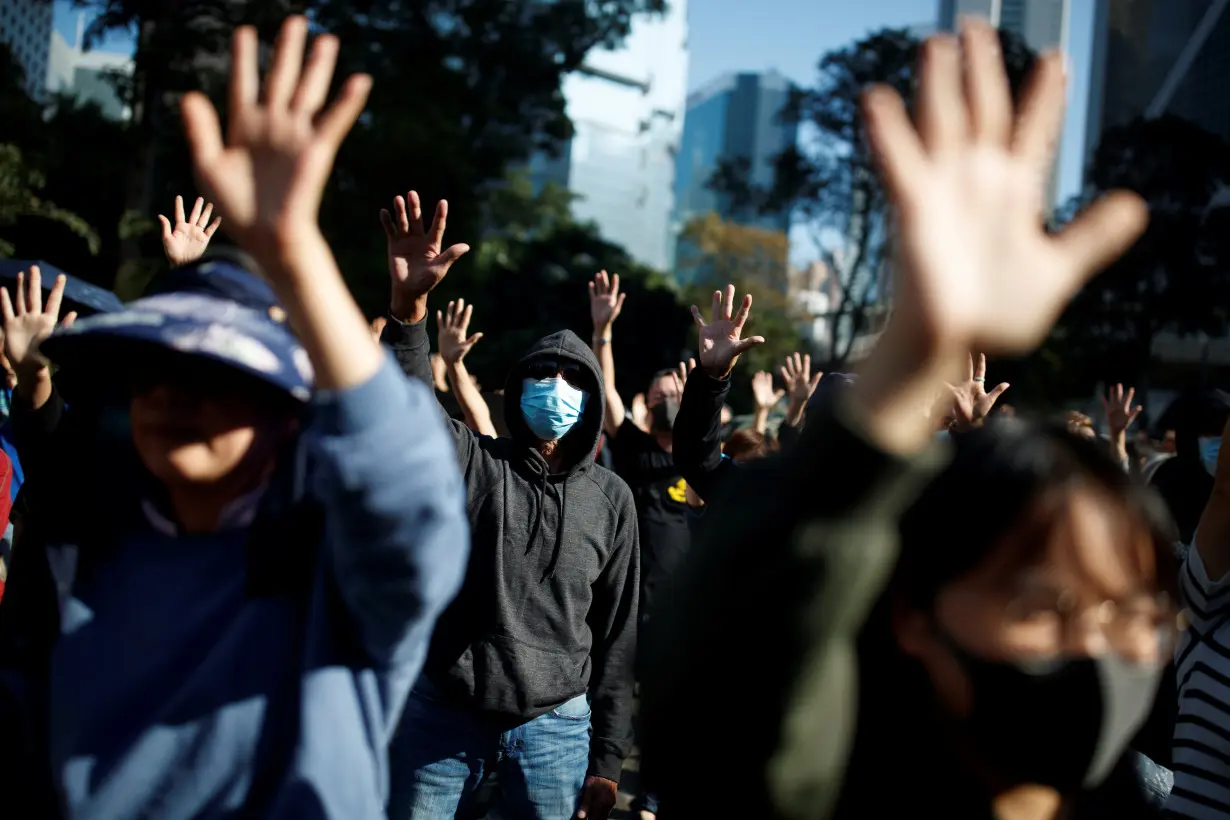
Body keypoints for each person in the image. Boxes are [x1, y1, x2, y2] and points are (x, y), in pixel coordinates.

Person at [640, 18, 1152, 819]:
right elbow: (726, 668)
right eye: (1045, 607)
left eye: (1128, 611)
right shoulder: (836, 770)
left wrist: (980, 445)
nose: (1092, 648)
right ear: (918, 617)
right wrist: (916, 352)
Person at [0, 17, 469, 818]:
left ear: (290, 417)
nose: (176, 399)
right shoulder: (96, 541)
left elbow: (411, 489)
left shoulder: (342, 581)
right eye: (157, 373)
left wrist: (292, 248)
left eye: (220, 377)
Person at [378, 193, 639, 820]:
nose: (556, 387)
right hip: (445, 715)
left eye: (573, 378)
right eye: (542, 373)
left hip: (557, 730)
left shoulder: (611, 498)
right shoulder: (474, 461)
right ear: (516, 389)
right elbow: (409, 411)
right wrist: (408, 313)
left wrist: (608, 758)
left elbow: (618, 635)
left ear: (592, 401)